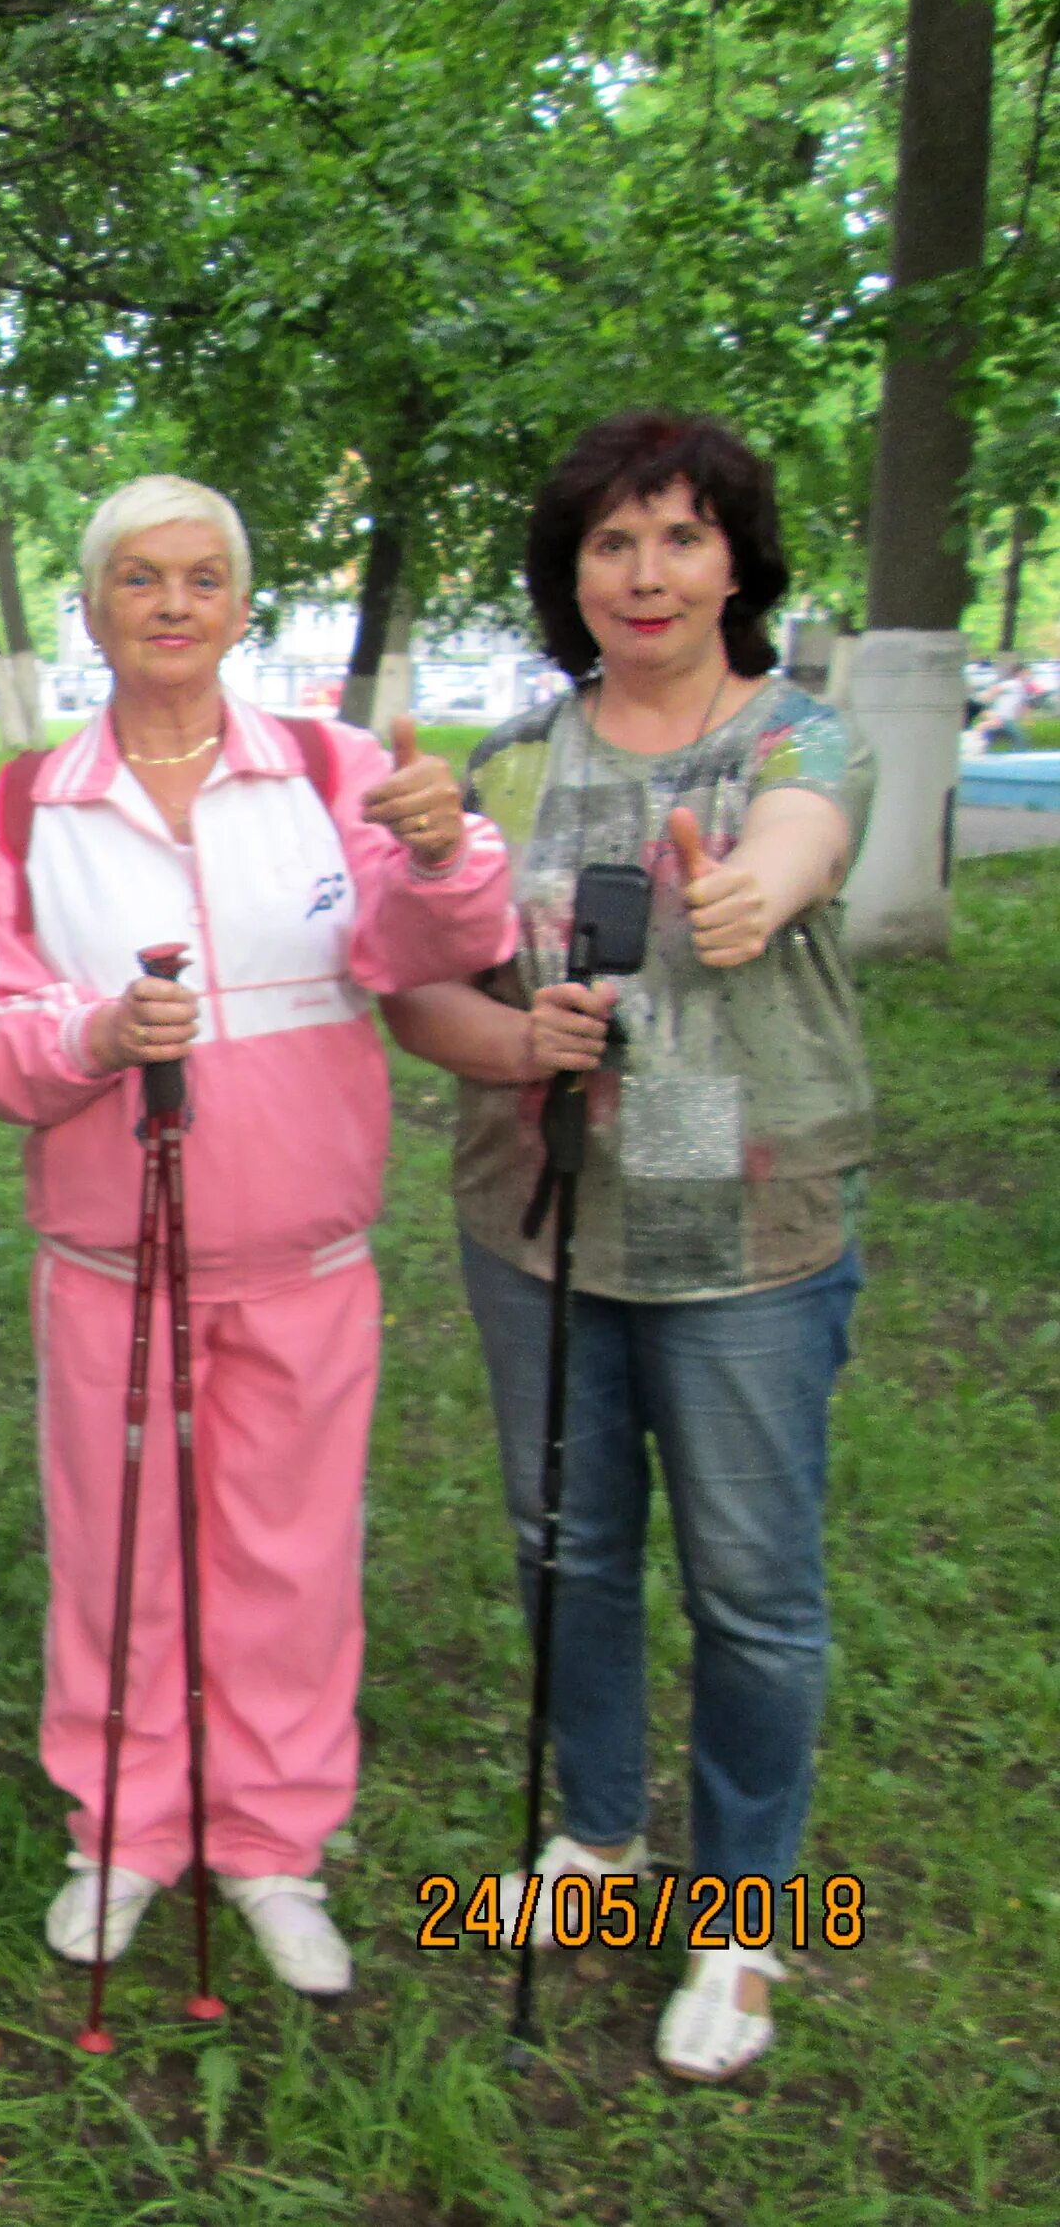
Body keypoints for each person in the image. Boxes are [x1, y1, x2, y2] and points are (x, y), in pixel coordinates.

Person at [0, 475, 516, 1996]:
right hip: (108, 1264)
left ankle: (271, 1843)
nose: (174, 603)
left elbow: (431, 944)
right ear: (93, 610)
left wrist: (453, 849)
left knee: (291, 1560)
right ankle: (122, 1829)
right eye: (139, 578)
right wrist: (97, 1032)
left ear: (245, 606)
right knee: (116, 1556)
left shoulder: (336, 773)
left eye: (204, 577)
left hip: (302, 1261)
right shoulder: (24, 804)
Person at [382, 411, 870, 2082]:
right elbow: (421, 989)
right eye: (611, 542)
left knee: (750, 1584)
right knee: (569, 1547)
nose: (646, 572)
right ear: (569, 574)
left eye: (680, 536)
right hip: (543, 1222)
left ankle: (744, 1922)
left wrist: (744, 894)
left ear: (737, 556)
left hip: (744, 1228)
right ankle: (594, 1842)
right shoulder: (509, 764)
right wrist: (515, 1038)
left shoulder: (800, 742)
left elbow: (798, 848)